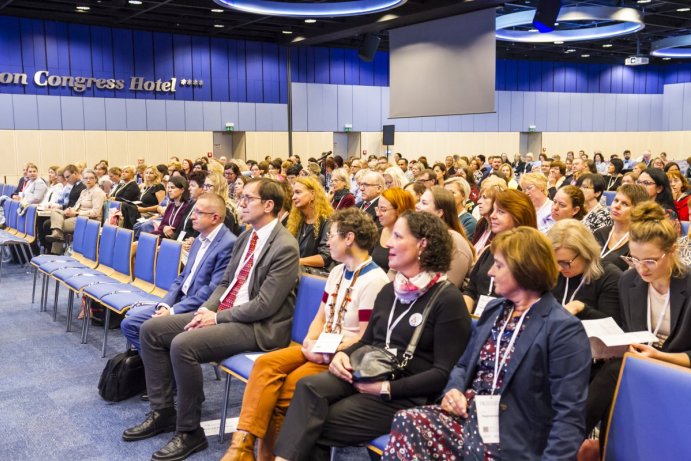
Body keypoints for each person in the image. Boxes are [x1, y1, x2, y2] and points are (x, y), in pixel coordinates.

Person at [123, 178, 300, 461]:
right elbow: (225, 284)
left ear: (269, 205)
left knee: (184, 345)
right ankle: (164, 411)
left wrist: (216, 318)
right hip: (227, 315)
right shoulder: (246, 237)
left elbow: (264, 306)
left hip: (257, 327)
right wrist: (205, 311)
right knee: (151, 330)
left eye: (247, 199)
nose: (240, 204)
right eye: (241, 198)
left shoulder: (285, 246)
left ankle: (190, 431)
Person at [272, 211, 472, 461]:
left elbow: (442, 373)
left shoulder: (447, 299)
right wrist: (343, 357)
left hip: (405, 393)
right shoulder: (390, 290)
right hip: (369, 370)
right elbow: (368, 342)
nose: (387, 243)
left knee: (314, 422)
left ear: (422, 244)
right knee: (307, 387)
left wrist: (386, 388)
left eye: (398, 236)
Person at [383, 227, 591, 460]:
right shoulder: (496, 310)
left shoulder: (562, 329)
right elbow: (463, 365)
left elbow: (569, 415)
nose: (490, 272)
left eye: (499, 265)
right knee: (408, 421)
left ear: (525, 270)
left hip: (513, 436)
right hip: (473, 419)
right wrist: (454, 390)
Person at [222, 208, 389, 461]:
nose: (328, 241)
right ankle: (241, 449)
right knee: (266, 365)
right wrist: (311, 341)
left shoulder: (375, 280)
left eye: (331, 235)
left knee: (286, 388)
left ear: (349, 238)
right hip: (320, 346)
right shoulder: (336, 271)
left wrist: (325, 350)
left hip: (343, 357)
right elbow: (321, 317)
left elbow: (365, 338)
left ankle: (269, 457)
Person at [586, 201, 691, 445]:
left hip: (678, 368)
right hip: (641, 362)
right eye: (634, 259)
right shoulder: (629, 281)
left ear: (672, 250)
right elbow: (628, 332)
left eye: (651, 261)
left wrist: (658, 356)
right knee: (601, 367)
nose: (642, 268)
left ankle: (565, 443)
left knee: (614, 372)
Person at [120, 193, 236, 351]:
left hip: (198, 309)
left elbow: (212, 291)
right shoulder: (199, 239)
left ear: (215, 218)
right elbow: (182, 278)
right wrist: (166, 304)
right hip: (179, 302)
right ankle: (165, 367)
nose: (192, 217)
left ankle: (164, 369)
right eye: (193, 211)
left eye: (198, 213)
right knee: (130, 324)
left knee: (148, 329)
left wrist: (173, 311)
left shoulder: (228, 244)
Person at [463, 189, 537, 314]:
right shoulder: (489, 250)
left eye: (500, 212)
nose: (492, 215)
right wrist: (465, 320)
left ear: (518, 216)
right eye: (494, 210)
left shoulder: (532, 256)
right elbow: (471, 290)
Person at [547, 220, 623, 323]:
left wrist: (581, 308)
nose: (558, 268)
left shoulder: (610, 277)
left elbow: (612, 327)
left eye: (565, 263)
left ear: (586, 254)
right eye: (553, 261)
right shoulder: (551, 270)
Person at [416, 187, 474, 288]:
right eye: (419, 201)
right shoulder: (422, 235)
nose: (417, 206)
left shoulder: (455, 243)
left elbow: (446, 289)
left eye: (424, 203)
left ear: (439, 212)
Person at [46, 169, 105, 254]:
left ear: (96, 179)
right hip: (77, 216)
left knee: (58, 225)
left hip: (89, 220)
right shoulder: (84, 191)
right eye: (86, 178)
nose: (88, 180)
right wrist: (70, 210)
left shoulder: (98, 192)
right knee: (55, 212)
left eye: (91, 178)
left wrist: (77, 213)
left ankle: (55, 252)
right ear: (83, 179)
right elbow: (76, 206)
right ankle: (57, 238)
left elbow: (96, 212)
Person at [594, 184, 649, 272]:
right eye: (616, 200)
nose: (617, 206)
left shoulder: (640, 241)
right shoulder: (599, 233)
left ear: (638, 210)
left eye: (625, 204)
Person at [286, 176, 333, 270]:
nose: (293, 197)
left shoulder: (328, 221)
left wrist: (296, 261)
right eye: (293, 193)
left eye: (298, 192)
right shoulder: (296, 220)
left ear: (312, 194)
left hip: (315, 278)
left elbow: (326, 257)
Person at [372, 188, 416, 274]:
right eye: (378, 209)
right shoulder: (377, 232)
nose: (378, 214)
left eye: (383, 210)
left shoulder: (411, 238)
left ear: (399, 210)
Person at [470, 181, 507, 255]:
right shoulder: (481, 224)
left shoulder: (500, 230)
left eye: (484, 198)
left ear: (495, 202)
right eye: (480, 197)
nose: (478, 201)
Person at [151, 176, 193, 240]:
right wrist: (165, 227)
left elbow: (182, 230)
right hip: (161, 235)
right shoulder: (170, 206)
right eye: (168, 187)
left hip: (173, 240)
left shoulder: (187, 207)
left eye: (172, 188)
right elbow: (161, 226)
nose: (169, 190)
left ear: (182, 190)